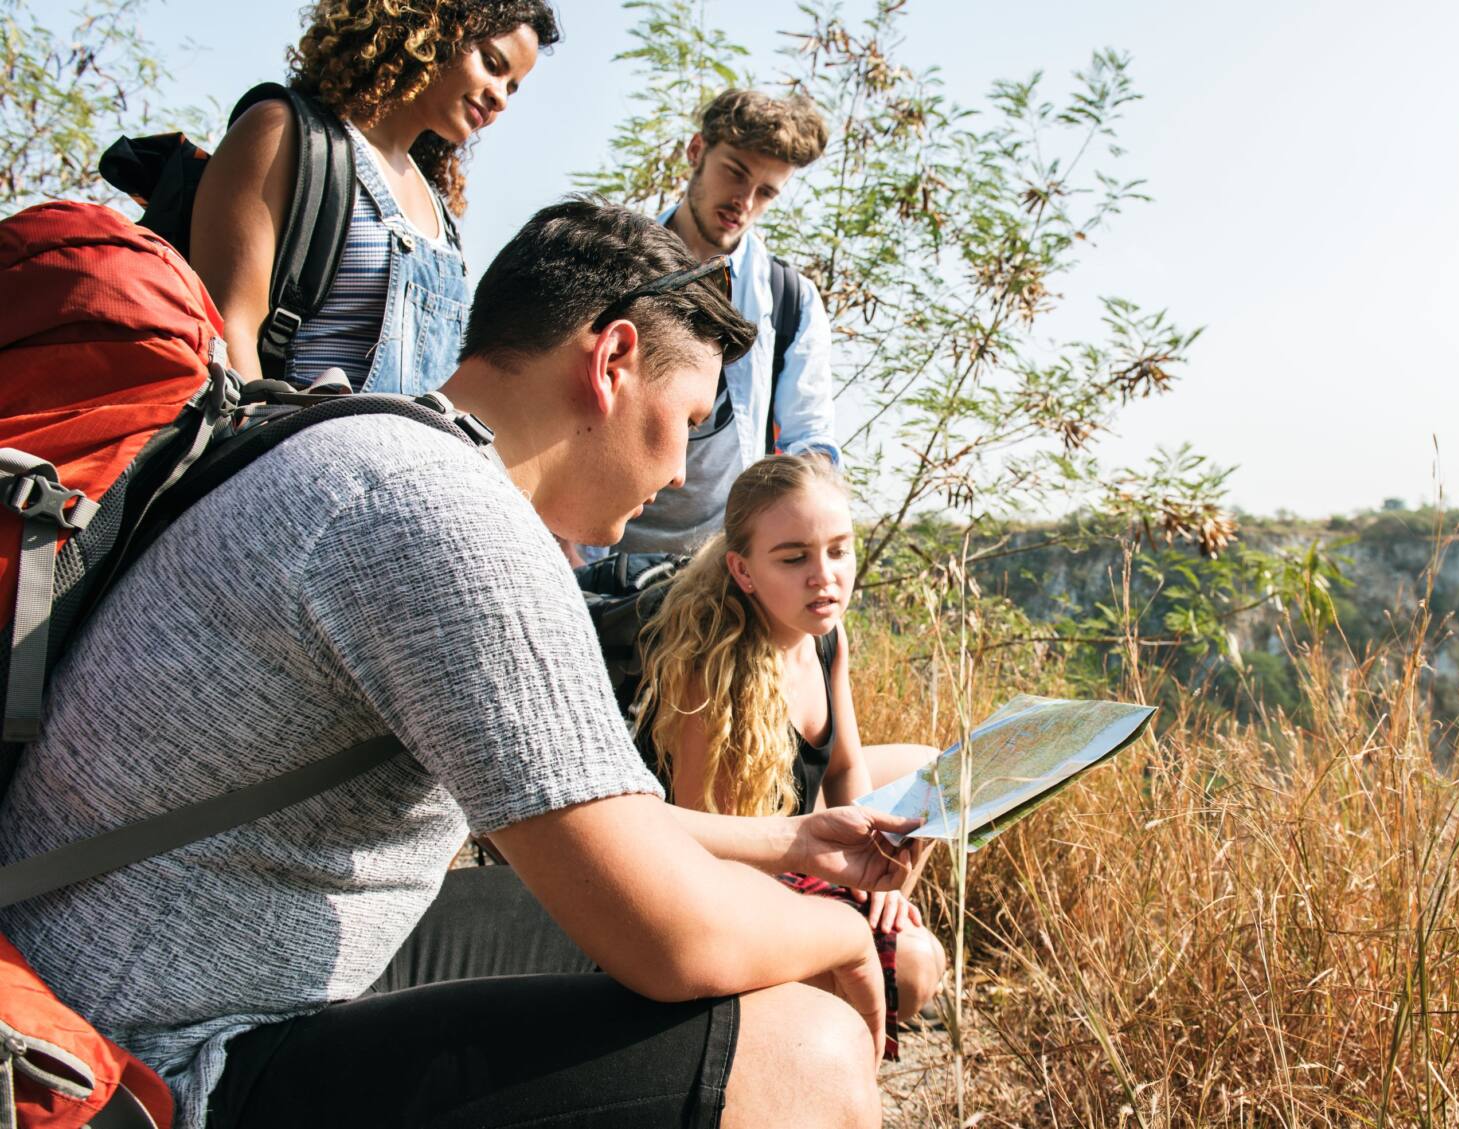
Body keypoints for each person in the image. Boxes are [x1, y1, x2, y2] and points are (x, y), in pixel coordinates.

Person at [0, 198, 917, 1129]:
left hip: (143, 965)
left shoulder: (367, 438)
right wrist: (841, 932)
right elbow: (669, 937)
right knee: (803, 1050)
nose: (683, 471)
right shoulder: (451, 519)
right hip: (143, 1057)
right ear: (613, 362)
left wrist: (790, 843)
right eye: (688, 416)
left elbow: (606, 825)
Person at [634, 454, 947, 1037]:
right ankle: (803, 1003)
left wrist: (875, 876)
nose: (824, 576)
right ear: (744, 570)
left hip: (797, 830)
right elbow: (706, 852)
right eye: (794, 557)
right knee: (917, 965)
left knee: (932, 776)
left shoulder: (823, 635)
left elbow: (846, 768)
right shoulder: (715, 668)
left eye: (838, 549)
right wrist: (823, 913)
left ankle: (873, 931)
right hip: (735, 866)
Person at [190, 0, 558, 392]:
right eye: (491, 64)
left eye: (512, 87)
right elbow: (227, 326)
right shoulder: (286, 135)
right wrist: (265, 441)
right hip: (290, 444)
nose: (500, 96)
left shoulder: (440, 213)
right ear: (433, 32)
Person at [604, 88, 841, 557]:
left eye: (767, 192)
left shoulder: (789, 298)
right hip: (599, 561)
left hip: (722, 571)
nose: (744, 202)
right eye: (735, 173)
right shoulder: (612, 265)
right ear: (697, 151)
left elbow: (809, 442)